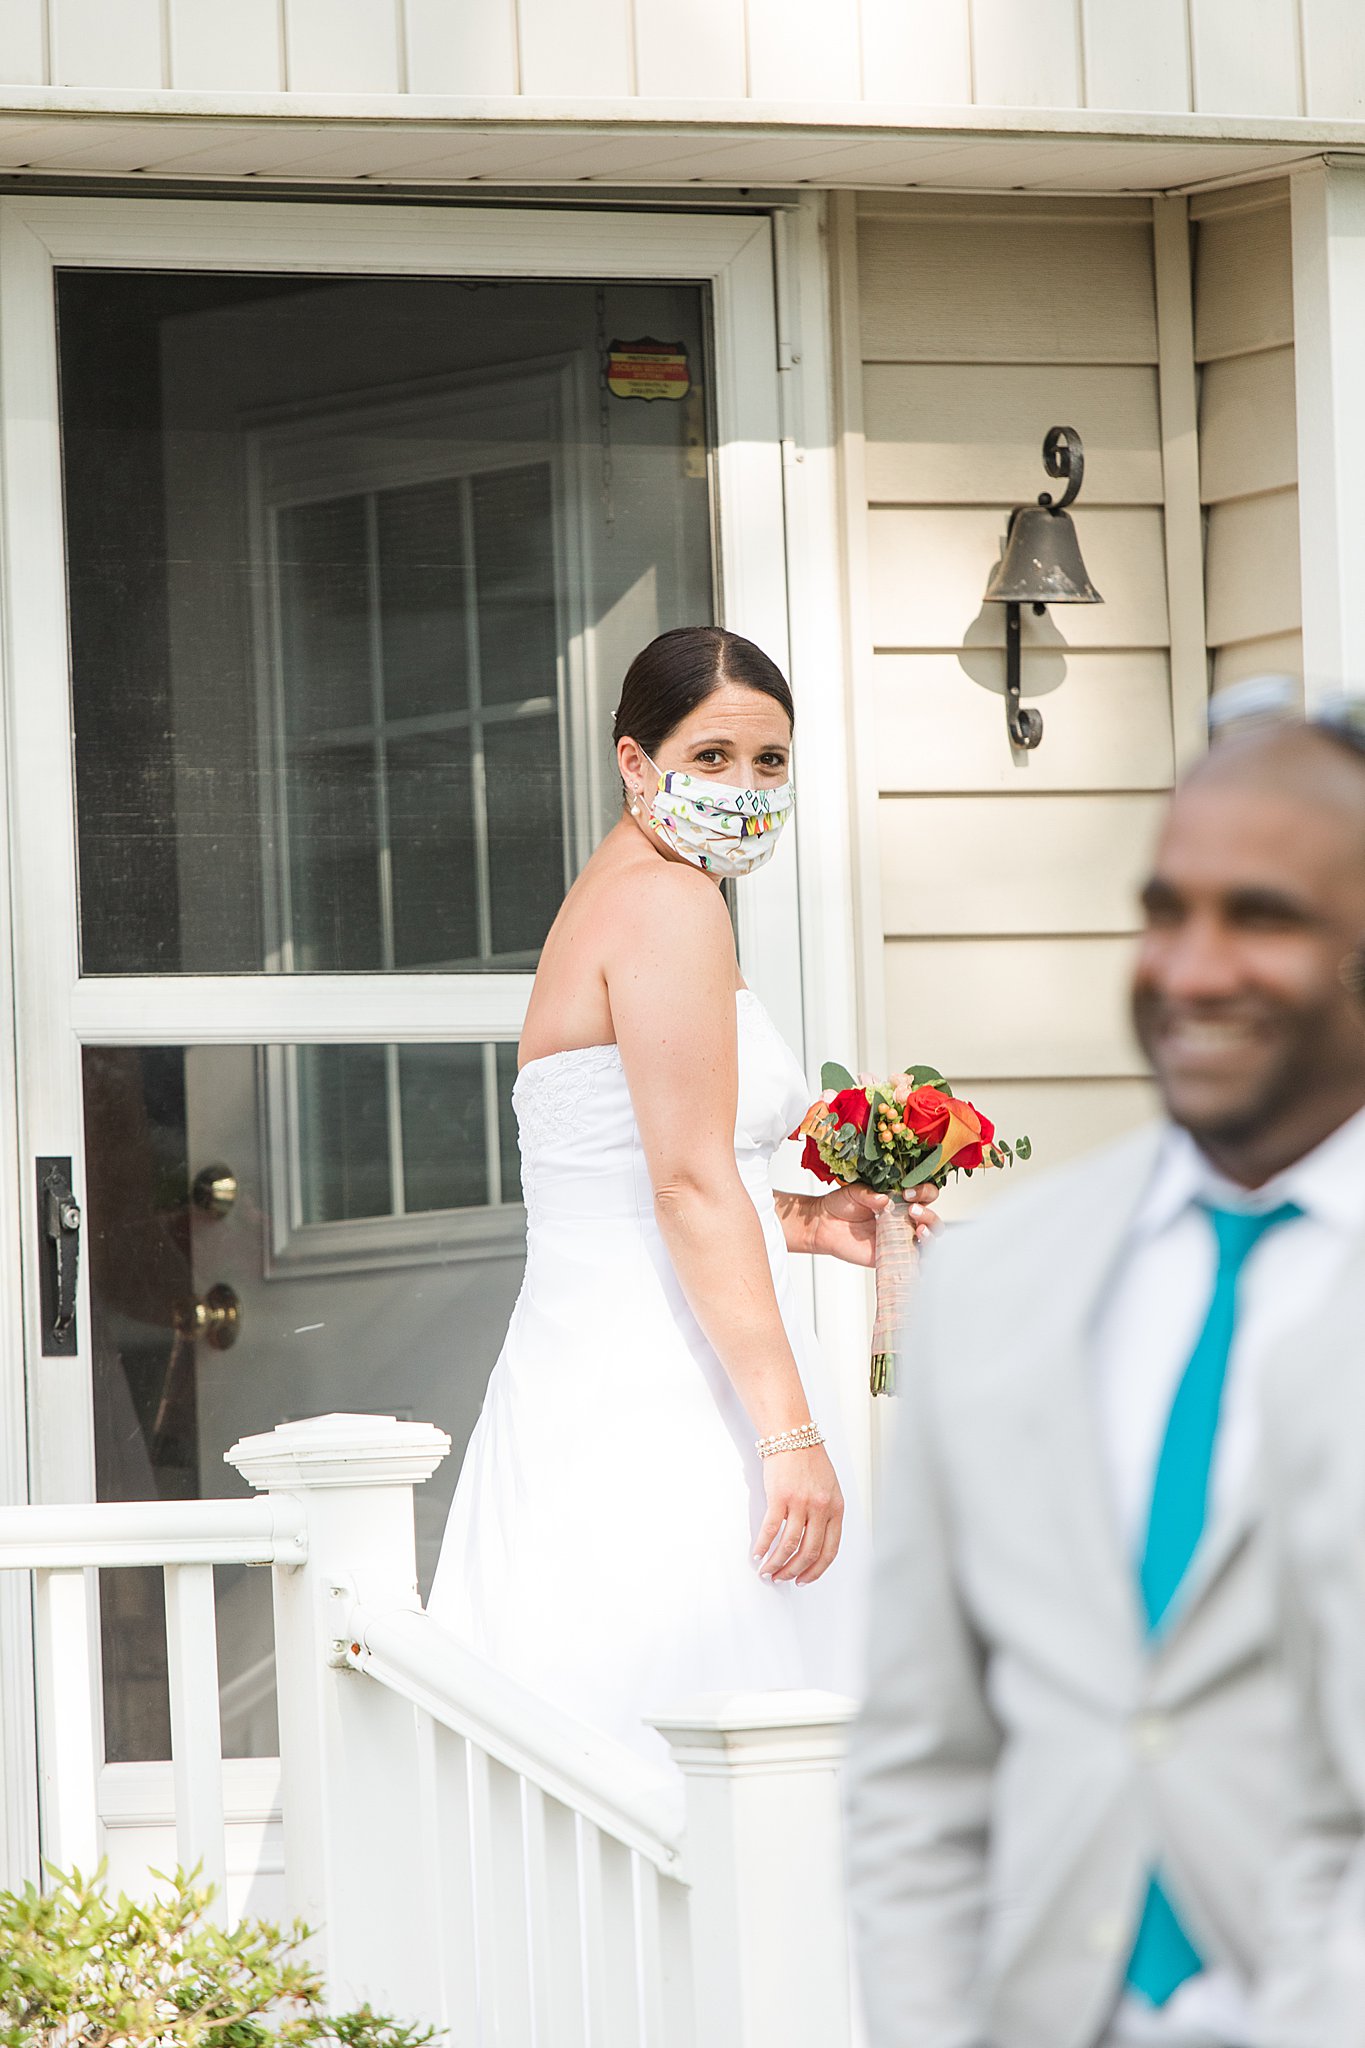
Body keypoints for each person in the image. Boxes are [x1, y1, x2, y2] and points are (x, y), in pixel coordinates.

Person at [846, 718, 1365, 2048]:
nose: (1191, 969)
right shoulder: (994, 1286)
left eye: (1262, 919)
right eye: (1161, 912)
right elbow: (920, 1775)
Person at [429, 626, 936, 1773]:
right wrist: (791, 1432)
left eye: (770, 762)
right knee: (723, 1736)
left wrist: (810, 1220)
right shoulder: (667, 904)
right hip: (665, 1389)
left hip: (600, 1355)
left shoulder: (629, 893)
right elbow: (690, 1183)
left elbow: (654, 1165)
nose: (745, 790)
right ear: (634, 760)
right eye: (710, 758)